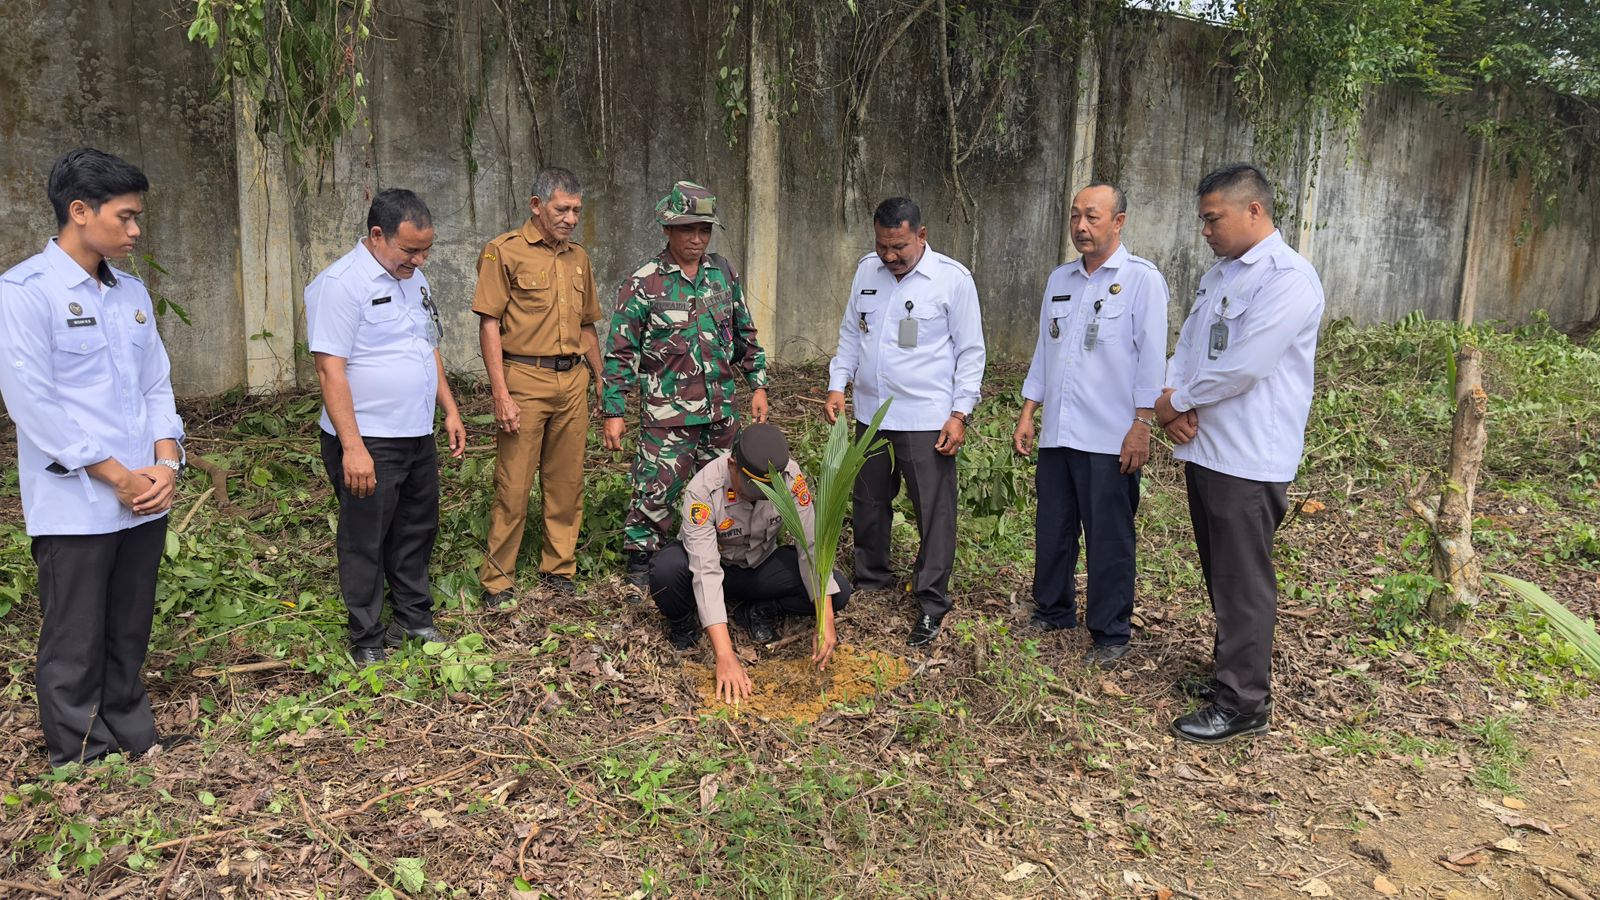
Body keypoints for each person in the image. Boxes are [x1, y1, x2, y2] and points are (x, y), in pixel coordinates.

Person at [0, 148, 188, 766]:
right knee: (75, 633)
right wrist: (115, 474)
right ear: (79, 212)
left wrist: (166, 462)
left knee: (128, 624)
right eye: (126, 217)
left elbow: (155, 383)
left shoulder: (130, 294)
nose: (135, 231)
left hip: (143, 493)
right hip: (77, 497)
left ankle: (132, 729)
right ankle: (80, 752)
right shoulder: (26, 293)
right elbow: (34, 402)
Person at [1155, 163, 1324, 743]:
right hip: (1208, 448)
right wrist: (1172, 400)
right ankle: (1231, 675)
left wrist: (1178, 400)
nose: (1205, 230)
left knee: (1244, 581)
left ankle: (1245, 703)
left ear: (1254, 211)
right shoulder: (1220, 274)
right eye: (1203, 220)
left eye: (1213, 218)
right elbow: (1190, 347)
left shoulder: (1287, 278)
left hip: (1250, 456)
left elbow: (1246, 366)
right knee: (1221, 574)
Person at [306, 188, 466, 665]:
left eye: (426, 249)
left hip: (416, 432)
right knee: (366, 537)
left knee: (417, 527)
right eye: (410, 249)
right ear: (378, 235)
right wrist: (353, 448)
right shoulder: (340, 284)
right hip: (368, 437)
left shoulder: (414, 279)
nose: (420, 259)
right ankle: (367, 637)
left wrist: (450, 408)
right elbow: (329, 369)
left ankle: (412, 619)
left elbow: (426, 346)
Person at [1014, 182, 1169, 668]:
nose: (1081, 226)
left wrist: (1142, 423)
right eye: (1076, 216)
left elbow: (1151, 360)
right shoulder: (1061, 280)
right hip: (1060, 432)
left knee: (1109, 535)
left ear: (1118, 222)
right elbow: (1046, 350)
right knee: (1053, 527)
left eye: (1093, 218)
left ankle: (1110, 632)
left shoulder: (1143, 280)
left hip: (1110, 435)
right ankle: (1054, 609)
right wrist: (1028, 410)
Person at [825, 197, 986, 647]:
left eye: (899, 247)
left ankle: (932, 600)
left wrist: (960, 414)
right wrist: (839, 384)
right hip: (871, 415)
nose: (891, 256)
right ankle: (872, 580)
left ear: (921, 235)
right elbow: (850, 334)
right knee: (869, 502)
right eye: (882, 246)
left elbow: (971, 352)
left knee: (933, 510)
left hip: (925, 417)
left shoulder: (952, 280)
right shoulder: (866, 272)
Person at [602, 181, 769, 600]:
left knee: (724, 490)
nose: (697, 239)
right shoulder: (644, 283)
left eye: (705, 230)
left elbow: (744, 331)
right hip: (667, 415)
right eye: (688, 230)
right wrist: (614, 410)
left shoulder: (723, 274)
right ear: (668, 230)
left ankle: (714, 553)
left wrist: (758, 383)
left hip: (719, 412)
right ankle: (642, 559)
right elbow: (620, 352)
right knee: (657, 488)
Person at [474, 168, 603, 604]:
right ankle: (498, 580)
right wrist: (500, 393)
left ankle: (559, 569)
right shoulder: (503, 252)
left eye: (576, 211)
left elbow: (587, 326)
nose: (570, 218)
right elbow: (489, 323)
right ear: (536, 205)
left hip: (573, 380)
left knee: (566, 482)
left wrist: (601, 379)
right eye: (561, 209)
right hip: (524, 379)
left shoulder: (578, 258)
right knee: (513, 485)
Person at [649, 423, 850, 703]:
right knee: (666, 570)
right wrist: (726, 656)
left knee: (836, 590)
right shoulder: (705, 490)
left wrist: (824, 619)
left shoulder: (790, 478)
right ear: (733, 465)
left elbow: (812, 547)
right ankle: (684, 625)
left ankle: (759, 610)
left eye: (768, 489)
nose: (759, 494)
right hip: (716, 567)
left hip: (760, 569)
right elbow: (705, 572)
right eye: (753, 486)